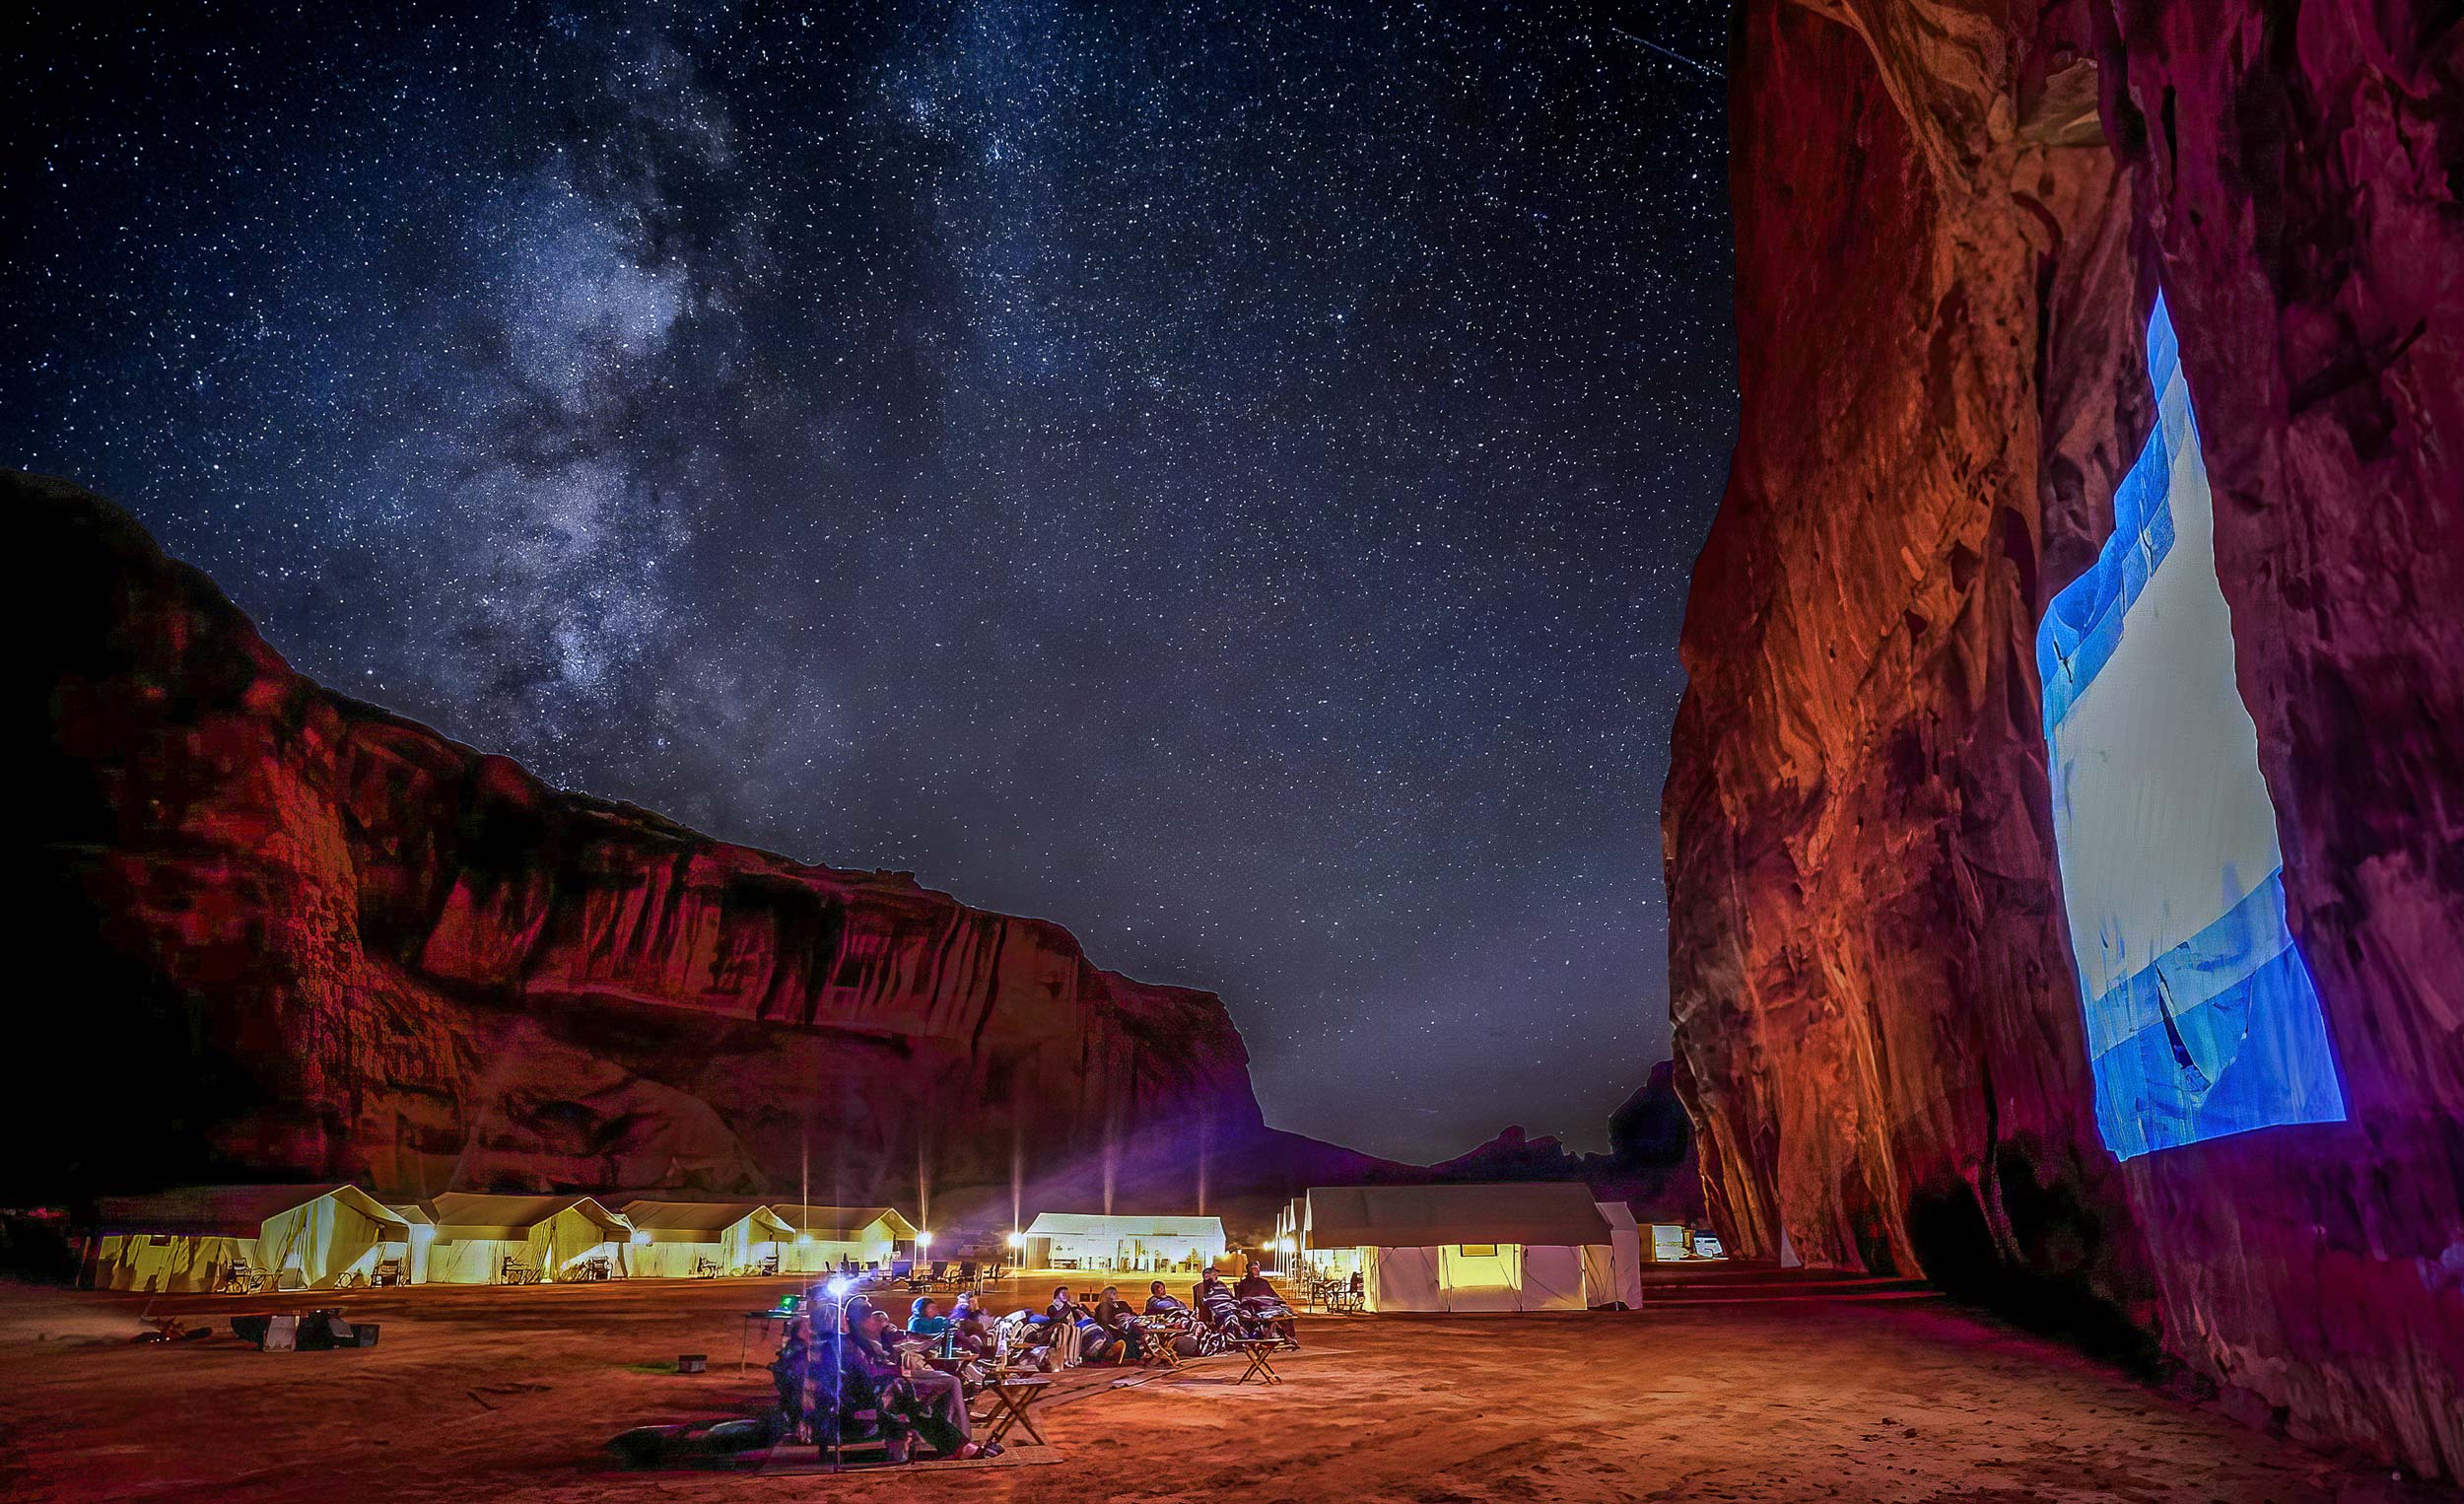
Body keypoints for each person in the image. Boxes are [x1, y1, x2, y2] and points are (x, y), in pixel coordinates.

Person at [827, 1302, 995, 1462]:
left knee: (921, 1403)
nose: (875, 1321)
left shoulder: (864, 1342)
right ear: (861, 1321)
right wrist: (893, 1378)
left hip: (876, 1397)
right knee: (916, 1406)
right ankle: (960, 1446)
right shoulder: (850, 1346)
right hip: (864, 1404)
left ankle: (959, 1444)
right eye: (871, 1317)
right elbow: (863, 1378)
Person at [1090, 1284, 1148, 1362]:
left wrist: (1133, 1317)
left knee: (1144, 1324)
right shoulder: (1103, 1305)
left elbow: (1133, 1313)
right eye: (1110, 1292)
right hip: (1118, 1325)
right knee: (1136, 1328)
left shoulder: (1123, 1303)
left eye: (1114, 1292)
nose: (1113, 1294)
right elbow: (1102, 1321)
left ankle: (1147, 1348)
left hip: (1131, 1320)